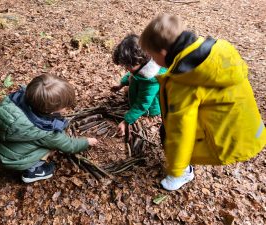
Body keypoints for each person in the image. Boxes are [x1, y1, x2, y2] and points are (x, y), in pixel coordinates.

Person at [140, 14, 266, 191]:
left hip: (229, 144)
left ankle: (184, 173)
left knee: (167, 131)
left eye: (152, 56)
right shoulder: (219, 50)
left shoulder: (181, 82)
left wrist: (175, 168)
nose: (153, 60)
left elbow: (180, 131)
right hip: (253, 131)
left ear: (163, 53)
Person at [0, 74, 98, 183]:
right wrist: (86, 142)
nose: (66, 109)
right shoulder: (46, 130)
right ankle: (33, 171)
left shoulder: (16, 99)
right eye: (64, 107)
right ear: (51, 111)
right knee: (51, 146)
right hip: (10, 160)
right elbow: (69, 146)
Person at [111, 34, 167, 136]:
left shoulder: (151, 81)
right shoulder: (142, 65)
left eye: (127, 66)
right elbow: (131, 75)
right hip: (140, 88)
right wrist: (121, 84)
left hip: (150, 108)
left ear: (138, 61)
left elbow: (142, 104)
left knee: (139, 101)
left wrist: (126, 121)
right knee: (127, 90)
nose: (126, 69)